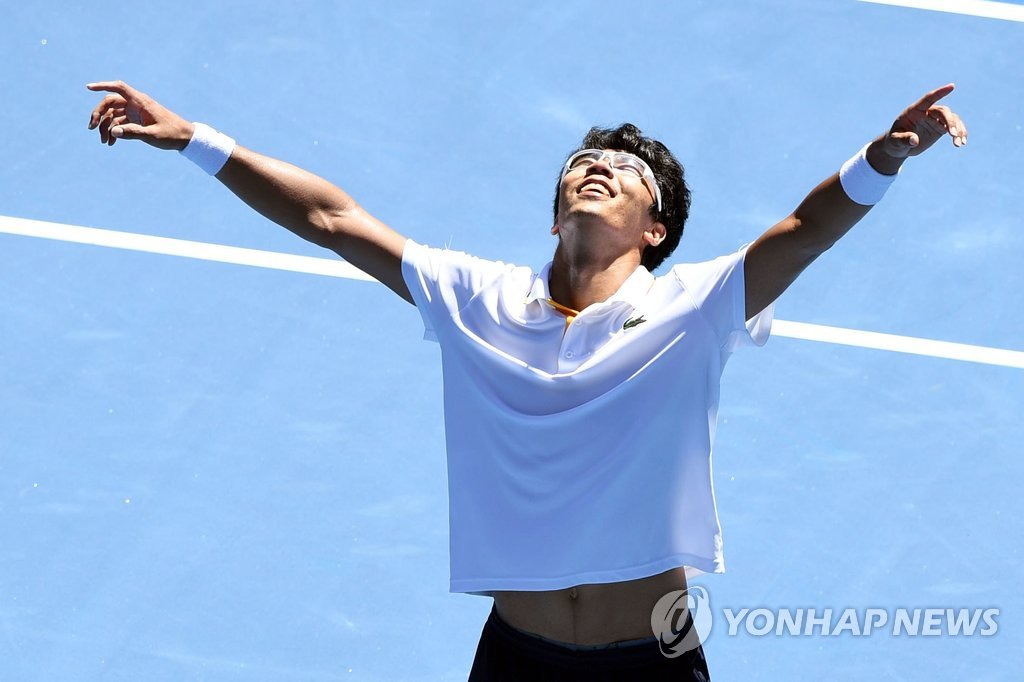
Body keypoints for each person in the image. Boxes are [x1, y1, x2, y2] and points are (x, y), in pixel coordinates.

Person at [87, 80, 967, 681]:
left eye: (629, 174)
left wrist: (883, 159)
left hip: (651, 662)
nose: (599, 169)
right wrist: (196, 140)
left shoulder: (699, 306)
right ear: (555, 215)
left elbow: (804, 230)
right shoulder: (474, 298)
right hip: (517, 656)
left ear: (655, 231)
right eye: (583, 165)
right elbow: (330, 216)